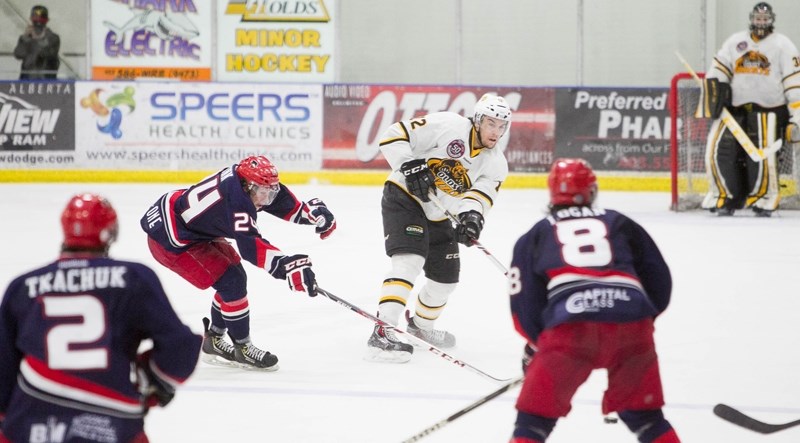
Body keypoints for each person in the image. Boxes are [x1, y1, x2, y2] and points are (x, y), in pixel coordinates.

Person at [0, 194, 200, 443]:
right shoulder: (133, 278)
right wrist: (153, 383)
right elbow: (181, 348)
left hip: (28, 424)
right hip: (113, 423)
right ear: (110, 232)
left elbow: (3, 366)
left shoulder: (23, 287)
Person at [508, 159, 680, 443]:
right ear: (592, 191)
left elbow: (524, 303)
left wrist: (540, 343)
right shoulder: (619, 221)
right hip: (631, 321)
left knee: (533, 422)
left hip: (569, 329)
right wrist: (641, 318)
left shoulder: (535, 234)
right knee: (647, 419)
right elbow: (658, 277)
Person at [140, 155, 336, 371]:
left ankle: (213, 340)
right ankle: (242, 347)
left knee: (234, 277)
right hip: (172, 240)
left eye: (270, 190)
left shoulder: (245, 183)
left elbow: (278, 200)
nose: (267, 197)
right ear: (247, 186)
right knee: (230, 281)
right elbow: (251, 247)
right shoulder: (237, 204)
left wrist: (309, 214)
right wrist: (286, 266)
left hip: (188, 223)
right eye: (264, 191)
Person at [365, 93, 512, 363]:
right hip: (404, 198)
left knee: (445, 279)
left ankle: (420, 327)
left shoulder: (496, 163)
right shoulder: (449, 125)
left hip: (438, 213)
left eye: (502, 126)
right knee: (409, 261)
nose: (497, 132)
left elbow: (479, 197)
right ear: (478, 120)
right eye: (491, 123)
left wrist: (470, 218)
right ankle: (382, 331)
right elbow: (393, 134)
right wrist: (408, 165)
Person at [698, 2, 800, 217]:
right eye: (757, 19)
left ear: (771, 20)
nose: (761, 23)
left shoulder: (783, 45)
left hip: (770, 110)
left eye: (764, 19)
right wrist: (717, 88)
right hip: (734, 109)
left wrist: (796, 116)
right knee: (719, 151)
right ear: (751, 19)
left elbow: (794, 82)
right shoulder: (736, 41)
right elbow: (719, 69)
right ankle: (723, 196)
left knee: (763, 158)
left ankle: (763, 198)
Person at [14, 5, 61, 80]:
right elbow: (18, 54)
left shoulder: (53, 38)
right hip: (27, 78)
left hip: (46, 78)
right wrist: (25, 38)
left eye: (41, 23)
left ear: (47, 21)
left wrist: (40, 40)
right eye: (35, 22)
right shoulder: (26, 38)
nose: (37, 28)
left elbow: (48, 54)